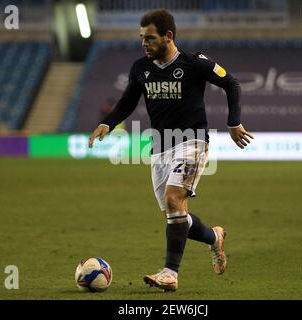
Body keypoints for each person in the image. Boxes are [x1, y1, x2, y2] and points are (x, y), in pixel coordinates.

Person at [89, 9, 253, 291]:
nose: (144, 43)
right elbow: (128, 101)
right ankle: (214, 237)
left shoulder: (194, 63)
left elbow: (231, 83)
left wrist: (234, 122)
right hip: (160, 148)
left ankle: (170, 273)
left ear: (168, 36)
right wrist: (108, 122)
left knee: (174, 199)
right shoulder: (141, 68)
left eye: (150, 38)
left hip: (192, 141)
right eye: (141, 38)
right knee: (175, 215)